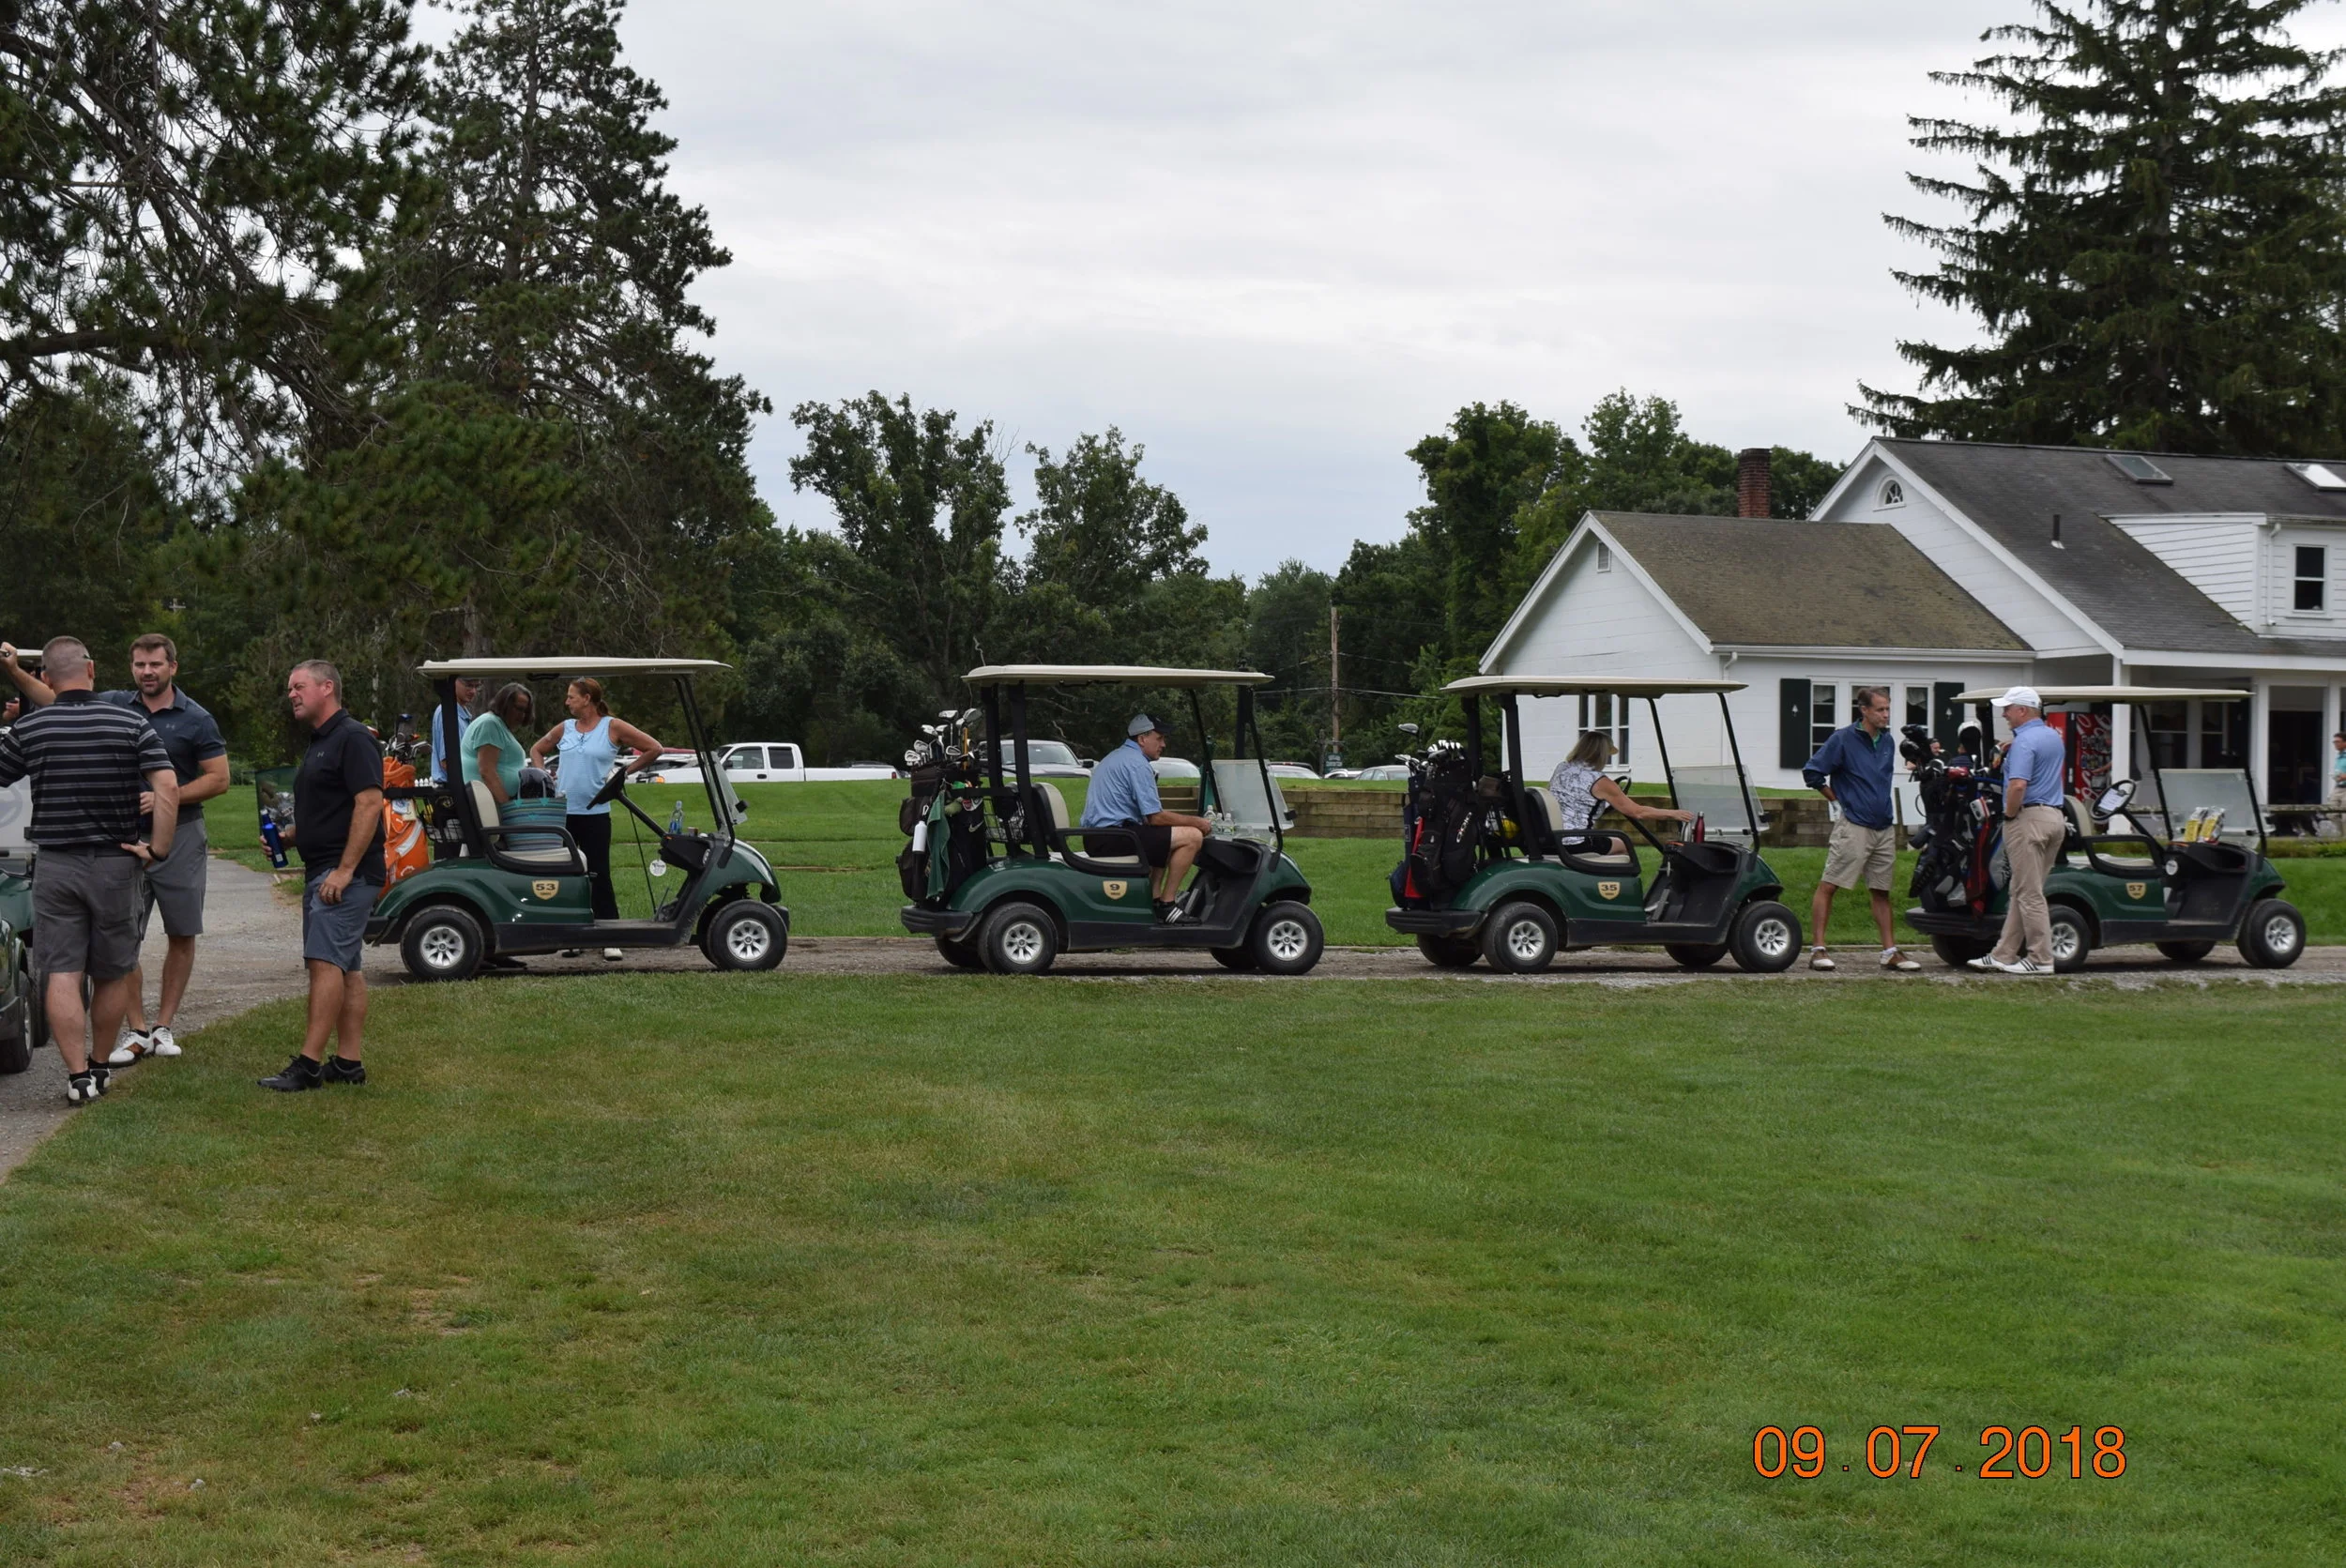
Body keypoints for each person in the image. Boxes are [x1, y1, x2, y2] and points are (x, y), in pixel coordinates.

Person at [8, 633, 231, 1063]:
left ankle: (163, 1025)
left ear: (172, 668)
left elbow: (219, 779)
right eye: (140, 665)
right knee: (124, 942)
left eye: (156, 665)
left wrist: (164, 797)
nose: (147, 672)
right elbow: (57, 696)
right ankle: (137, 1029)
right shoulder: (114, 704)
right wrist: (15, 671)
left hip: (179, 834)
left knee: (181, 930)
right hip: (121, 841)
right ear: (129, 668)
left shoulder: (196, 718)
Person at [0, 637, 177, 1105]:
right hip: (116, 863)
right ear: (92, 670)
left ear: (46, 678)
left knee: (61, 970)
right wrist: (158, 848)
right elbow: (167, 785)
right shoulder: (130, 722)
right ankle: (100, 1065)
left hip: (56, 864)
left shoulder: (30, 727)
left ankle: (77, 1076)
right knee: (113, 971)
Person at [260, 661, 387, 1091]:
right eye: (289, 688)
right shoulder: (321, 742)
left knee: (323, 962)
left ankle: (309, 1065)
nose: (291, 695)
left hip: (345, 873)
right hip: (325, 868)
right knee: (346, 967)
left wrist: (345, 870)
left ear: (327, 687)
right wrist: (289, 838)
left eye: (298, 686)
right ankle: (348, 1063)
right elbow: (332, 810)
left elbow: (369, 803)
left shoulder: (353, 738)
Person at [527, 677, 667, 945]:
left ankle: (610, 937)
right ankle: (572, 936)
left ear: (587, 699)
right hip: (563, 813)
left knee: (599, 874)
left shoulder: (612, 726)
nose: (567, 702)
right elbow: (537, 750)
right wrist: (543, 775)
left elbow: (654, 748)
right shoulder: (565, 728)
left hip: (596, 815)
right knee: (566, 875)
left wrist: (623, 773)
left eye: (571, 697)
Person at [1802, 686, 1922, 972]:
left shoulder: (1888, 740)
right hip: (1854, 824)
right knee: (1830, 884)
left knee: (1881, 890)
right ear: (1864, 710)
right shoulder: (1842, 739)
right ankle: (1818, 950)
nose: (1885, 714)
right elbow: (1812, 772)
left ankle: (1889, 952)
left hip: (1884, 826)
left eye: (1887, 709)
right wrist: (1836, 801)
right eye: (1880, 709)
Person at [1968, 686, 2066, 976]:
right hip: (2054, 817)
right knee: (2021, 889)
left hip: (2028, 818)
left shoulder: (2024, 741)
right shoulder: (2052, 736)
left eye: (2008, 709)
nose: (2004, 714)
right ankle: (2004, 954)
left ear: (2023, 710)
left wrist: (2009, 815)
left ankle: (2040, 958)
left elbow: (2018, 785)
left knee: (2029, 893)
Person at [1078, 714, 1213, 921]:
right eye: (1159, 739)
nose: (1163, 745)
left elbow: (1152, 821)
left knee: (1164, 837)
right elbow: (1155, 818)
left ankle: (1154, 900)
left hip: (1100, 835)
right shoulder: (1137, 764)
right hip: (1112, 837)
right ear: (1142, 739)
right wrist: (1198, 822)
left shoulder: (1117, 756)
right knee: (1192, 837)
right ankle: (1168, 905)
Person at [1546, 732, 1693, 844]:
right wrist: (1673, 813)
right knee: (1622, 844)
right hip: (1575, 841)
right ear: (1601, 755)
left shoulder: (1562, 768)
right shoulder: (1601, 782)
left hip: (1552, 837)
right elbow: (1638, 812)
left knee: (1614, 841)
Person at [461, 683, 535, 807]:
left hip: (494, 803)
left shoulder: (499, 726)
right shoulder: (490, 724)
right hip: (489, 805)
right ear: (504, 704)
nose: (522, 715)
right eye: (518, 709)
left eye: (525, 711)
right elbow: (487, 771)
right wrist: (508, 807)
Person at [427, 676, 483, 786]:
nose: (473, 691)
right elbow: (447, 762)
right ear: (454, 683)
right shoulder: (447, 712)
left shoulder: (462, 715)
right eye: (468, 685)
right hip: (453, 787)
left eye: (476, 687)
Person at [2323, 732, 2346, 838]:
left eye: (2338, 742)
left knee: (2345, 816)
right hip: (2338, 787)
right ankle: (2341, 837)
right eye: (2334, 742)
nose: (2335, 744)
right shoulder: (2339, 756)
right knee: (2331, 813)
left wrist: (2344, 776)